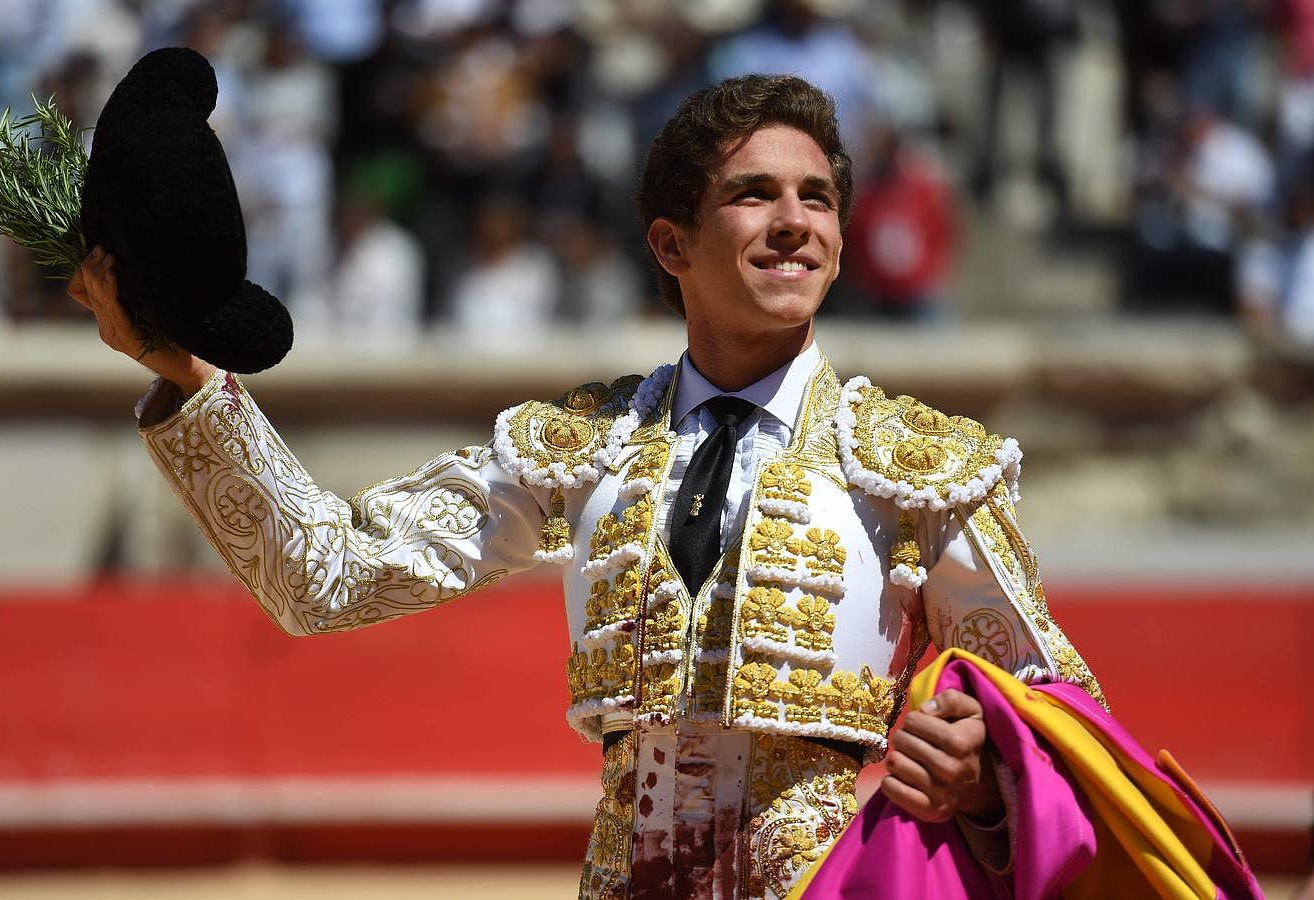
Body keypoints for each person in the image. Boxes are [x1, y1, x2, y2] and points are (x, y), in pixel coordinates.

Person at [67, 74, 1103, 899]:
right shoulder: (580, 445)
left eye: (817, 197)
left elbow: (1059, 713)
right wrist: (187, 378)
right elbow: (322, 578)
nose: (795, 222)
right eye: (753, 194)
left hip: (831, 884)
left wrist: (981, 774)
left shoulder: (915, 464)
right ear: (670, 243)